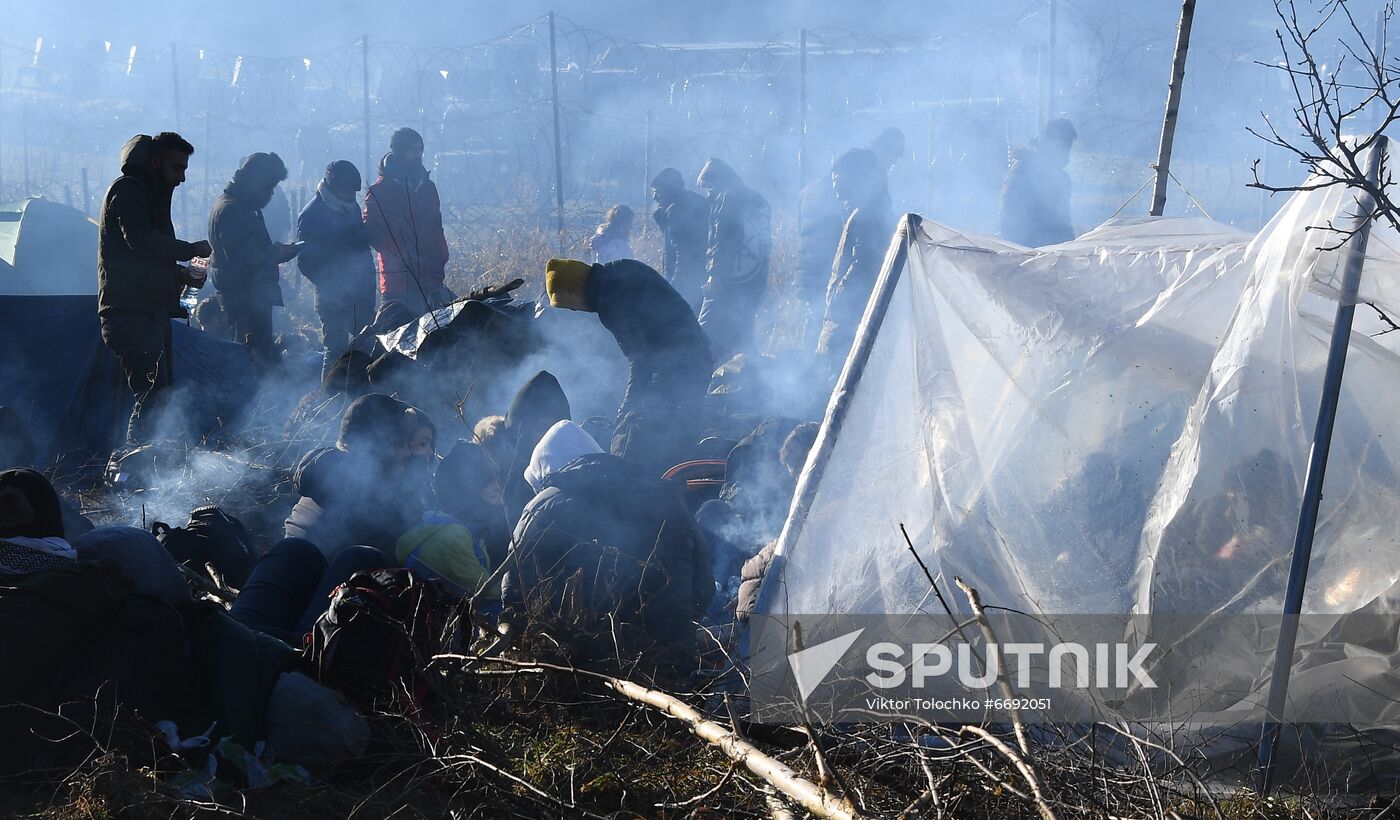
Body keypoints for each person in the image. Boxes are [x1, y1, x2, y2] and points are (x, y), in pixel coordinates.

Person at [503, 421, 713, 662]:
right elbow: (704, 586)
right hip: (667, 658)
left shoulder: (543, 507)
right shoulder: (663, 497)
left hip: (570, 662)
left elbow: (516, 589)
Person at [545, 258, 712, 476]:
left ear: (575, 290)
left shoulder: (610, 301)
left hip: (680, 367)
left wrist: (626, 410)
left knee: (656, 439)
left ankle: (675, 481)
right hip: (697, 351)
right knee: (684, 428)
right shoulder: (620, 269)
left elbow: (641, 359)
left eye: (570, 304)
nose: (575, 310)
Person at [97, 132, 212, 445]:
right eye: (177, 168)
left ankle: (152, 461)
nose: (182, 178)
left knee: (160, 397)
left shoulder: (149, 196)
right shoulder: (128, 192)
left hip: (148, 312)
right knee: (152, 398)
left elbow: (145, 262)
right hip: (130, 314)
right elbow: (141, 241)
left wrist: (183, 276)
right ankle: (134, 463)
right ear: (156, 162)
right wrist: (188, 249)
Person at [283, 393, 424, 559]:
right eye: (400, 443)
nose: (407, 453)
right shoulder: (365, 503)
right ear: (378, 445)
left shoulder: (328, 481)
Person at [209, 152, 300, 370]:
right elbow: (241, 260)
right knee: (250, 363)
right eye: (268, 188)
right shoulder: (233, 210)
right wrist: (275, 254)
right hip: (244, 303)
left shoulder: (239, 207)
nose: (270, 194)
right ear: (255, 183)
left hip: (249, 300)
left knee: (256, 361)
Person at [815, 148, 895, 372]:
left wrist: (837, 301)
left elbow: (863, 264)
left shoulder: (867, 215)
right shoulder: (868, 210)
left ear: (856, 178)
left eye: (838, 178)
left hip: (848, 320)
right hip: (852, 318)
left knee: (833, 377)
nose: (835, 186)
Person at [297, 160, 377, 382]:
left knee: (367, 344)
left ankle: (358, 390)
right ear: (334, 187)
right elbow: (305, 262)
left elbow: (361, 249)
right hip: (332, 299)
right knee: (336, 350)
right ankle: (327, 396)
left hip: (360, 294)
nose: (352, 195)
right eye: (348, 190)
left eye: (354, 191)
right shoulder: (312, 214)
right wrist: (334, 286)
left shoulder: (351, 207)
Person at [364, 127, 452, 315]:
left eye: (420, 149)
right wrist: (402, 254)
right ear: (399, 152)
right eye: (412, 150)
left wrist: (441, 256)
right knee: (401, 328)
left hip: (429, 275)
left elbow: (436, 228)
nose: (418, 154)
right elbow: (372, 233)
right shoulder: (380, 191)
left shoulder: (427, 187)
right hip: (399, 281)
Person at [696, 158, 771, 363]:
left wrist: (714, 275)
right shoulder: (758, 200)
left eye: (707, 188)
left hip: (729, 280)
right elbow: (765, 245)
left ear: (716, 181)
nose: (707, 195)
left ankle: (697, 376)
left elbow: (724, 239)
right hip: (754, 279)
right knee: (743, 333)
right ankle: (751, 376)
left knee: (703, 334)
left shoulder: (727, 197)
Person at [1000, 118, 1077, 247]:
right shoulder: (1024, 170)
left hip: (1054, 250)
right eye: (1063, 146)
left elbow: (1063, 221)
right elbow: (1010, 217)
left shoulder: (1063, 179)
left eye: (1068, 147)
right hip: (1025, 250)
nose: (1066, 152)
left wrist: (1070, 246)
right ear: (1048, 143)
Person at [650, 168, 709, 313]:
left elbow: (683, 256)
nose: (655, 197)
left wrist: (671, 288)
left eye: (658, 192)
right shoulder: (694, 201)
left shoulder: (676, 210)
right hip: (704, 278)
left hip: (688, 283)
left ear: (669, 190)